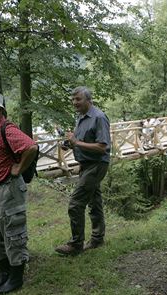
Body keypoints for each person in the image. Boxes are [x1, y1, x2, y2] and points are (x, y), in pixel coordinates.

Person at [0, 91, 38, 294]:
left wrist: (19, 168)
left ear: (0, 110)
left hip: (7, 188)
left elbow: (31, 146)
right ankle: (4, 273)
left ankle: (16, 278)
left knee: (12, 234)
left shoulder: (7, 128)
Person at [55, 86, 111, 256]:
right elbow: (80, 140)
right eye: (73, 99)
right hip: (86, 165)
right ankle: (97, 238)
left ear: (88, 100)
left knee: (75, 204)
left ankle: (75, 245)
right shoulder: (80, 117)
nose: (74, 103)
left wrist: (77, 143)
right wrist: (70, 143)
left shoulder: (99, 117)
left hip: (96, 165)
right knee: (94, 202)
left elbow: (102, 146)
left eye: (78, 99)